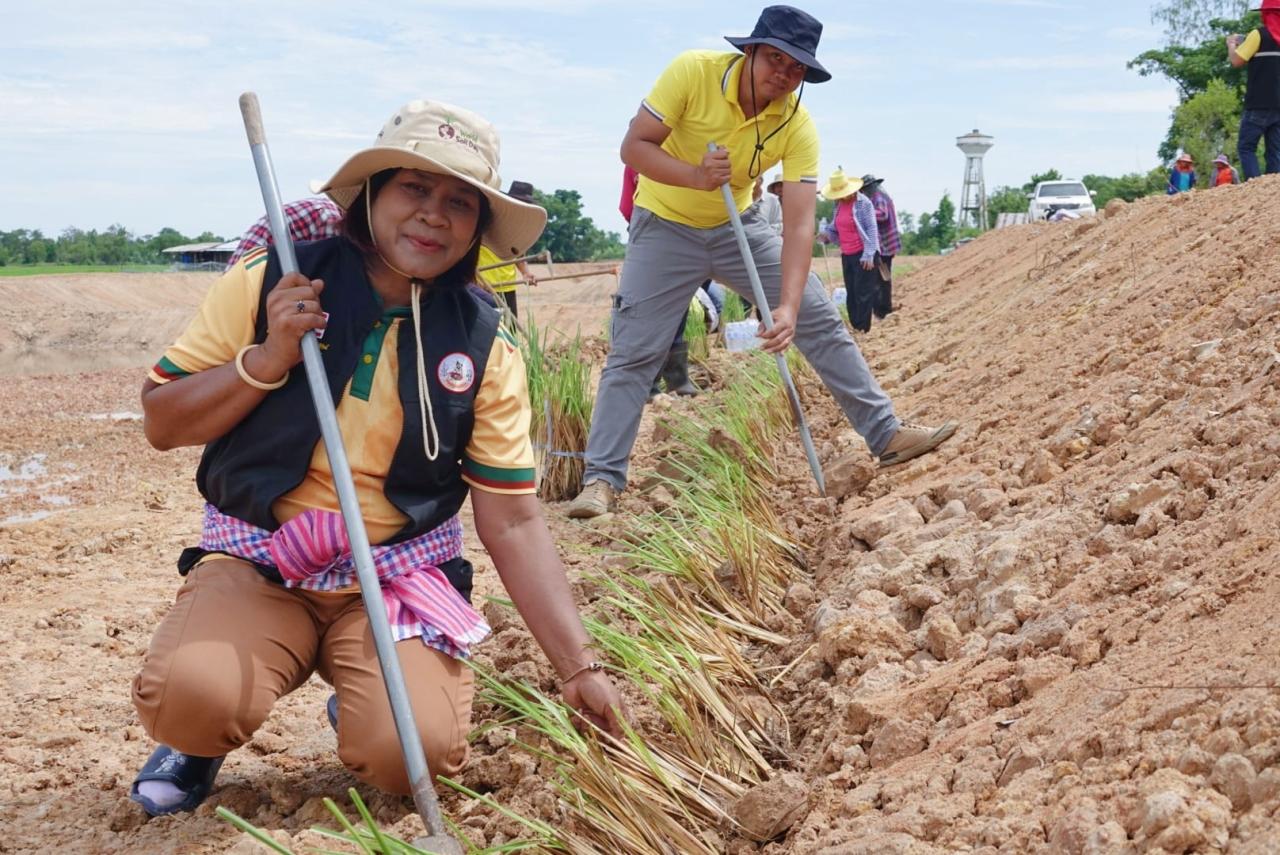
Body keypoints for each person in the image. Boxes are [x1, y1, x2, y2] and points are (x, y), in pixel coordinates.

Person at [128, 99, 625, 817]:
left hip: (395, 576)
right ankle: (198, 742)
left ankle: (368, 702)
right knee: (192, 697)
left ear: (480, 228)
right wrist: (265, 358)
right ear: (370, 197)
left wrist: (579, 667)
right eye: (413, 189)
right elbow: (161, 421)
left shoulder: (486, 342)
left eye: (460, 202)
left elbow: (514, 522)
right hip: (263, 562)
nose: (433, 215)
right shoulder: (275, 281)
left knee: (410, 751)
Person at [565, 5, 957, 519]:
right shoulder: (693, 72)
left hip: (740, 228)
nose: (785, 75)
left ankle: (885, 434)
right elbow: (633, 147)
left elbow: (796, 224)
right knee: (635, 350)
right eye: (776, 58)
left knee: (817, 314)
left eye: (798, 69)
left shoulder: (797, 124)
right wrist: (695, 175)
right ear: (749, 51)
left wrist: (788, 307)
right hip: (664, 225)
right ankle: (602, 479)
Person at [620, 164, 699, 398]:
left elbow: (626, 207)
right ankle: (653, 383)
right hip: (657, 236)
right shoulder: (636, 166)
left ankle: (674, 379)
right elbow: (627, 206)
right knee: (657, 312)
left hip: (676, 235)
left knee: (673, 308)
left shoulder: (643, 160)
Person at [819, 169, 880, 334]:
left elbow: (872, 229)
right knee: (851, 292)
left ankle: (863, 328)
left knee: (863, 292)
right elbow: (834, 228)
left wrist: (869, 254)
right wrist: (826, 235)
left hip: (863, 254)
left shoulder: (863, 203)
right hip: (847, 254)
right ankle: (855, 326)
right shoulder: (838, 206)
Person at [1229, 1, 1280, 179]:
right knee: (1275, 152)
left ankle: (1255, 187)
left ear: (1265, 14)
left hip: (1259, 102)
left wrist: (1232, 45)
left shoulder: (1258, 35)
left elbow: (1236, 61)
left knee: (1246, 147)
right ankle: (1272, 193)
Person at [476, 181, 541, 317]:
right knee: (486, 332)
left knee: (509, 333)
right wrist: (472, 278)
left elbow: (518, 254)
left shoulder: (518, 228)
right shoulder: (486, 221)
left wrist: (525, 273)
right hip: (482, 286)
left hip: (508, 286)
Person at [860, 174, 900, 319]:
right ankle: (882, 308)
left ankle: (883, 309)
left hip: (884, 244)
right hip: (886, 244)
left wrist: (865, 214)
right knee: (882, 277)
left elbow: (883, 215)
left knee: (881, 278)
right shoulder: (881, 195)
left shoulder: (878, 197)